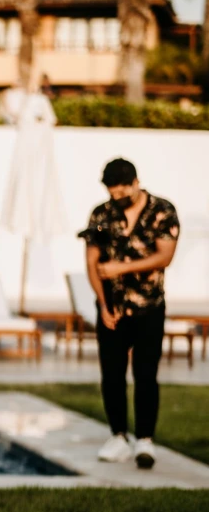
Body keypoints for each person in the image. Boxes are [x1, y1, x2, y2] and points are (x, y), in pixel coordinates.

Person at [80, 158, 180, 469]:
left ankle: (145, 441)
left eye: (123, 190)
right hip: (112, 310)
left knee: (146, 373)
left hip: (149, 307)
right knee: (111, 374)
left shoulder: (162, 211)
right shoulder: (101, 214)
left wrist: (121, 267)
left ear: (136, 183)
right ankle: (118, 435)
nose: (118, 196)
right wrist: (103, 304)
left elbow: (165, 256)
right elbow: (92, 262)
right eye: (113, 191)